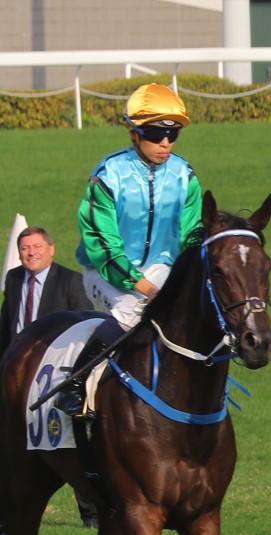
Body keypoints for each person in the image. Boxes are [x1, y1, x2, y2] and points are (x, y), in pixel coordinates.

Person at [56, 82, 202, 419]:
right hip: (104, 271)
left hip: (161, 266)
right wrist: (144, 287)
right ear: (134, 133)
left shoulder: (185, 176)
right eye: (155, 133)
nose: (165, 143)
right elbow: (103, 246)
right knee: (131, 310)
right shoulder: (108, 176)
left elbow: (192, 234)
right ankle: (75, 382)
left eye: (173, 134)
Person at [0, 226, 99, 526]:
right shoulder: (14, 279)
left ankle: (91, 513)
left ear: (51, 249)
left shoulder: (71, 281)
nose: (31, 253)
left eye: (37, 247)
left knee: (65, 437)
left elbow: (87, 327)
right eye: (25, 248)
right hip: (17, 372)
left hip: (55, 371)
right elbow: (7, 322)